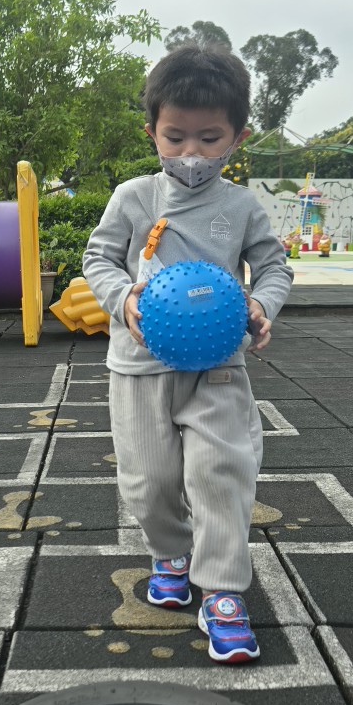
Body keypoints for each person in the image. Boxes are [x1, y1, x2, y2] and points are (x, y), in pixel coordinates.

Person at [82, 43, 294, 663]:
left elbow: (274, 267)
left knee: (221, 474)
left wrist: (262, 305)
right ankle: (170, 553)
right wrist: (123, 298)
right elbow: (98, 258)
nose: (192, 154)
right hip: (140, 368)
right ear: (151, 131)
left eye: (210, 138)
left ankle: (223, 592)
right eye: (175, 138)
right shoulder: (133, 197)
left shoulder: (241, 206)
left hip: (217, 366)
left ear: (238, 137)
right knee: (150, 482)